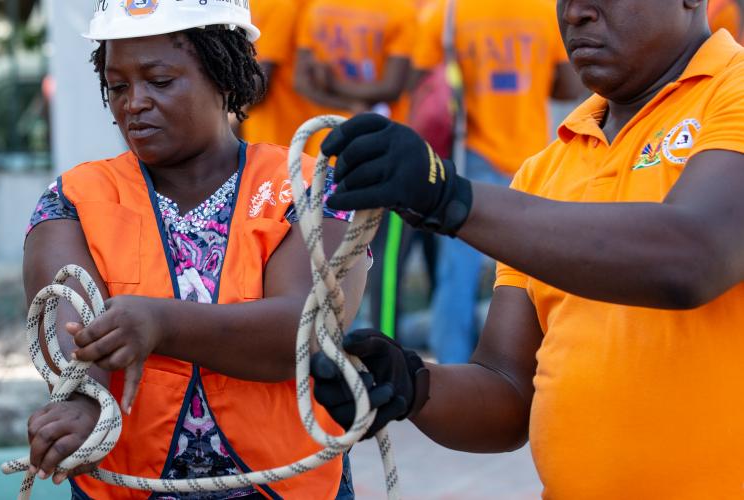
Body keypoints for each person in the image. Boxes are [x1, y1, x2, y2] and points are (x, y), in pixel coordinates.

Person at [312, 0, 744, 497]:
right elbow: (508, 392)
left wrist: (451, 198)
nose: (575, 12)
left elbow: (693, 256)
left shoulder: (731, 93)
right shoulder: (545, 169)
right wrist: (411, 385)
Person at [22, 2, 368, 498]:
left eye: (159, 81)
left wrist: (161, 324)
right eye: (118, 86)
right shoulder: (74, 200)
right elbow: (72, 334)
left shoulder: (309, 187)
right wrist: (81, 402)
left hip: (285, 485)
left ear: (223, 74)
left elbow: (306, 329)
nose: (134, 103)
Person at [412, 0, 584, 363]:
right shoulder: (544, 11)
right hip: (532, 157)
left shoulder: (448, 11)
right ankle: (534, 361)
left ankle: (453, 364)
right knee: (535, 269)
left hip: (470, 153)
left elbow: (420, 80)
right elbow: (569, 86)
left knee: (457, 271)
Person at [293, 0, 418, 121]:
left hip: (321, 129)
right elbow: (391, 89)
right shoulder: (401, 9)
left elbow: (301, 82)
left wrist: (335, 88)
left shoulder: (316, 5)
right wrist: (350, 103)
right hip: (381, 130)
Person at [242, 0, 320, 157]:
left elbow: (259, 83)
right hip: (276, 137)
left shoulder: (275, 6)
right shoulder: (279, 6)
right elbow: (260, 83)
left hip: (284, 135)